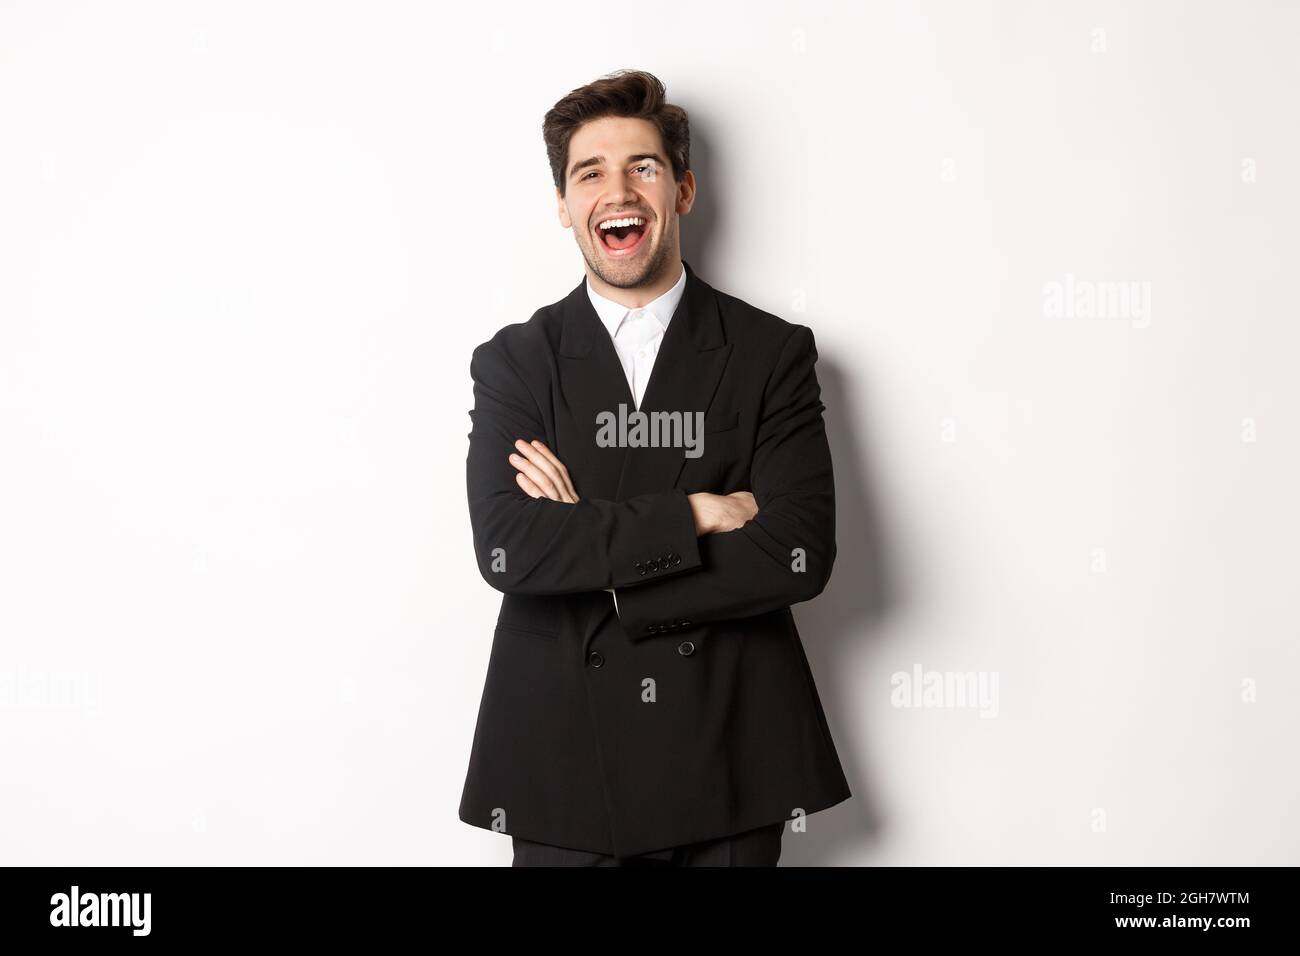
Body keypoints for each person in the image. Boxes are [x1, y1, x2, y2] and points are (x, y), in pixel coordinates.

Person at [459, 69, 850, 866]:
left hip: (730, 754)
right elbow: (510, 549)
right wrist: (698, 513)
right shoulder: (513, 363)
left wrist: (592, 553)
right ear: (564, 206)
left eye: (642, 166)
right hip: (564, 763)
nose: (618, 190)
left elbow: (798, 553)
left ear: (683, 190)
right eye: (589, 172)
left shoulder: (772, 353)